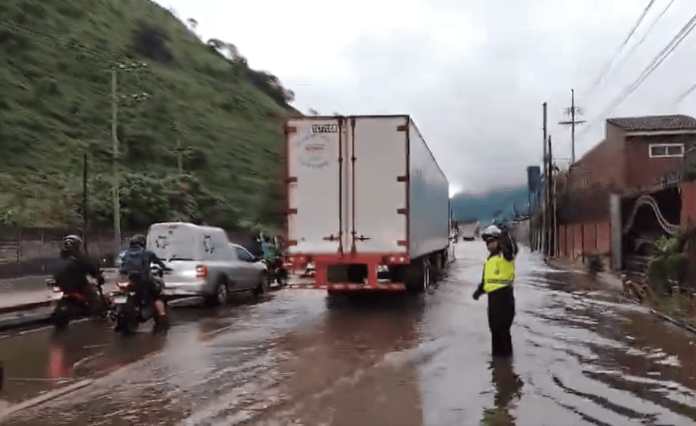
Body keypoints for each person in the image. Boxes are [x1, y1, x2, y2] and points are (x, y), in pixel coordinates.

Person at [472, 225, 516, 357]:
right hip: (493, 300)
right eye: (487, 243)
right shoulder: (490, 260)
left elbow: (511, 248)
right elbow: (487, 281)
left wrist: (505, 235)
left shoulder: (506, 255)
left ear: (498, 241)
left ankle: (507, 367)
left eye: (491, 242)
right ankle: (498, 366)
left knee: (503, 332)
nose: (488, 245)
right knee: (494, 331)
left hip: (505, 298)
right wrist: (479, 292)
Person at [119, 234, 170, 331]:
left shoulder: (125, 254)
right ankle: (162, 317)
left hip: (131, 282)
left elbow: (122, 269)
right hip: (145, 281)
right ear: (143, 243)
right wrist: (166, 268)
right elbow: (159, 263)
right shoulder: (148, 253)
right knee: (158, 295)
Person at [53, 235, 105, 314]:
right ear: (77, 245)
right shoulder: (79, 256)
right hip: (78, 285)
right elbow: (90, 267)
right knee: (95, 299)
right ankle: (93, 315)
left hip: (62, 285)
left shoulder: (61, 256)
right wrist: (98, 276)